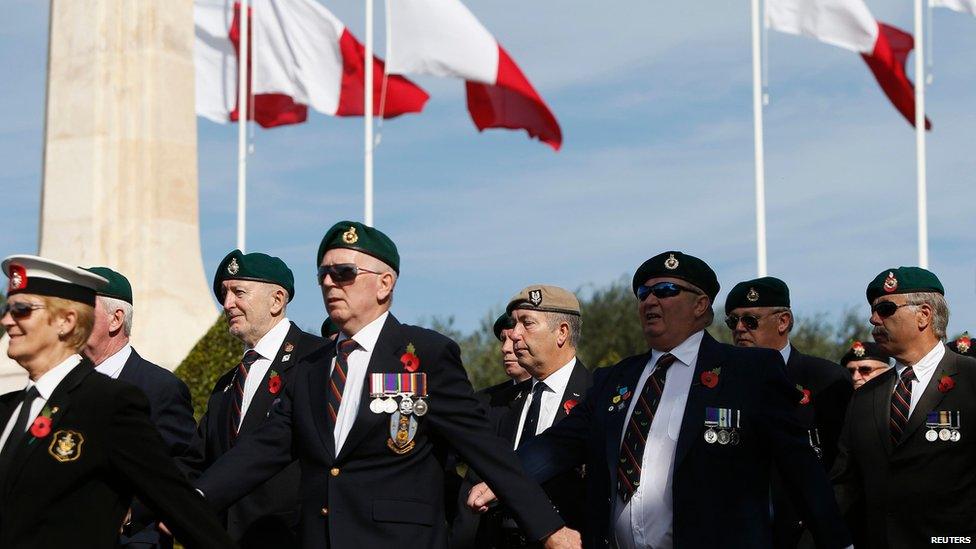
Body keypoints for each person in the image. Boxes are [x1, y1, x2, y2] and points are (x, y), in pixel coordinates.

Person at [194, 221, 580, 549]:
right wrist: (193, 499)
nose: (330, 283)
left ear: (384, 283)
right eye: (323, 274)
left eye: (344, 272)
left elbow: (483, 448)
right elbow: (264, 448)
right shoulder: (311, 368)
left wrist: (549, 529)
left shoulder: (425, 353)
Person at [469, 251, 850, 548]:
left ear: (701, 305)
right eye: (643, 292)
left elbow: (802, 470)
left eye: (666, 291)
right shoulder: (616, 380)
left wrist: (838, 542)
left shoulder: (749, 372)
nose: (650, 300)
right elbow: (559, 445)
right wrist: (506, 478)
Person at [0, 255, 233, 549]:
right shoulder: (9, 409)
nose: (7, 320)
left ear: (67, 322)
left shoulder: (113, 402)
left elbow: (179, 503)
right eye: (7, 309)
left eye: (22, 310)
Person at [180, 249, 325, 548]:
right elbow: (196, 460)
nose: (227, 303)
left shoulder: (317, 360)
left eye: (238, 292)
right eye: (224, 294)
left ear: (277, 300)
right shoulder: (226, 384)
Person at [831, 267, 976, 548]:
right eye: (873, 310)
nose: (873, 319)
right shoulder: (865, 396)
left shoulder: (971, 380)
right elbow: (845, 483)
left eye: (885, 309)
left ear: (924, 315)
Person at [724, 276, 853, 548]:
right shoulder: (719, 382)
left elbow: (843, 468)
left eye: (750, 320)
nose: (739, 329)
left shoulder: (826, 380)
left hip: (807, 534)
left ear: (783, 321)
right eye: (732, 321)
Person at [82, 266, 196, 549]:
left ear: (115, 319)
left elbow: (182, 466)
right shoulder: (66, 387)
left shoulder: (160, 388)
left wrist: (131, 511)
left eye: (84, 309)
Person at [476, 286, 593, 548]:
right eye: (514, 324)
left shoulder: (597, 397)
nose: (515, 334)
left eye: (526, 323)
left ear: (561, 332)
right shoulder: (501, 403)